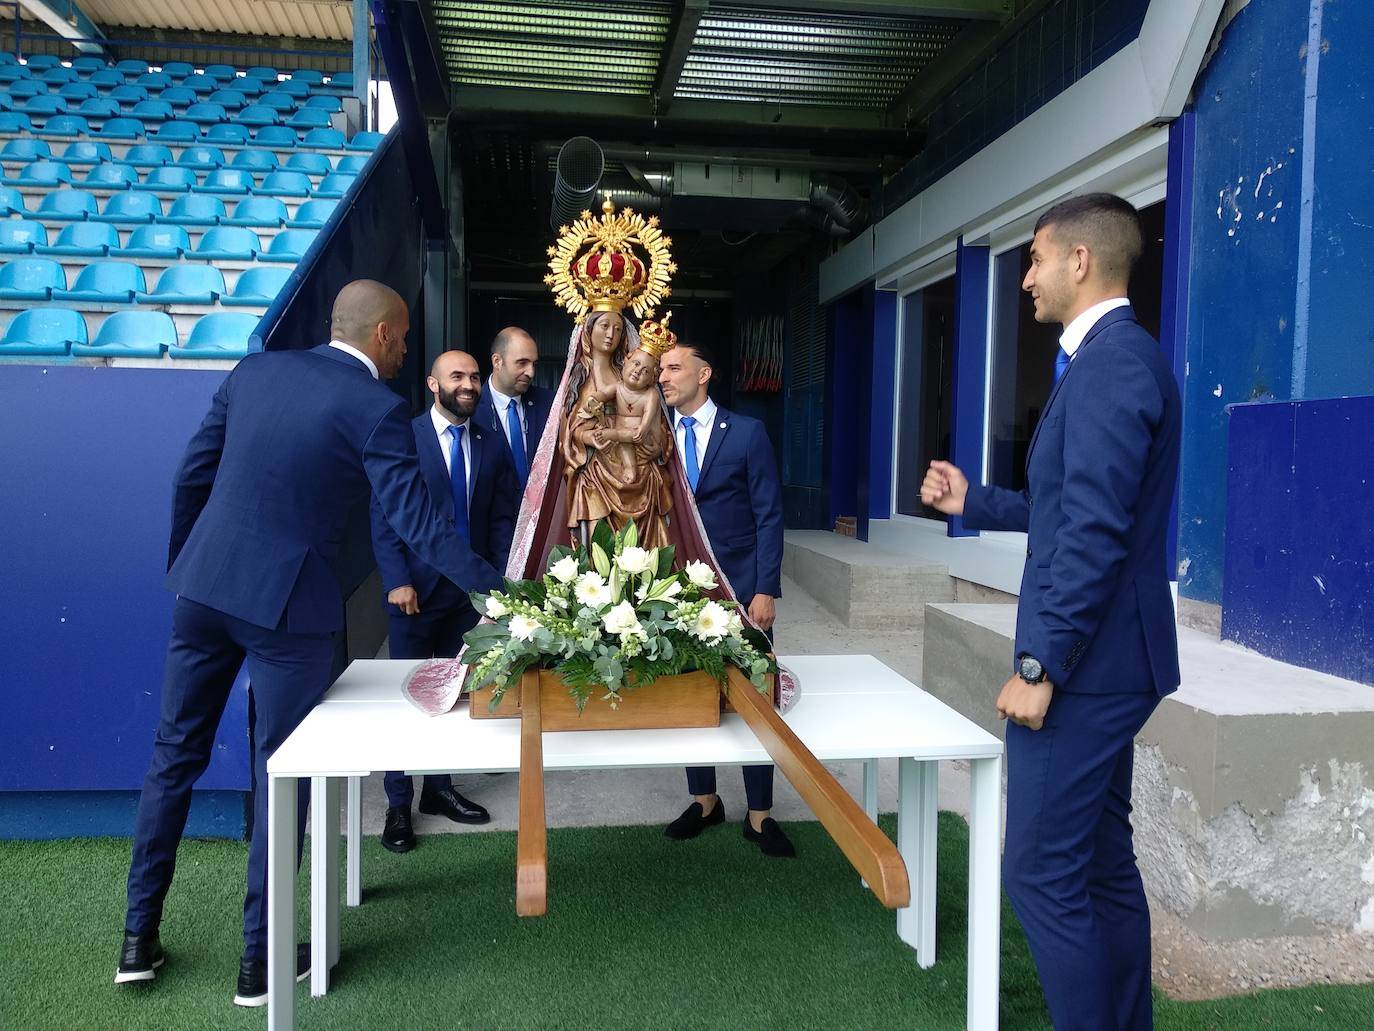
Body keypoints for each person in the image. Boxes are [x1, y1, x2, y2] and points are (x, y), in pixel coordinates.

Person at [117, 281, 505, 1007]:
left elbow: (191, 475)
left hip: (203, 589)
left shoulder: (255, 369)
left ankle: (137, 940)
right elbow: (421, 527)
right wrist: (501, 593)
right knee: (280, 776)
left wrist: (190, 564)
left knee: (174, 754)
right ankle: (258, 964)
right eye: (404, 338)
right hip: (290, 611)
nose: (403, 350)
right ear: (387, 335)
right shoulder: (378, 408)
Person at [920, 193, 1181, 1030]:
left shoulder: (1111, 365)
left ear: (1079, 261)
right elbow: (1066, 508)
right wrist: (978, 500)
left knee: (1037, 872)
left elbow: (1097, 534)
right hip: (1108, 663)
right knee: (1100, 867)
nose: (1024, 278)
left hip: (1088, 671)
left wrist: (1039, 667)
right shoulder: (1111, 361)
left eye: (1033, 260)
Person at [371, 349, 519, 853]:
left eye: (475, 377)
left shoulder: (491, 443)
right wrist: (396, 579)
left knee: (453, 694)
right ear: (433, 384)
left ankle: (439, 790)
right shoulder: (404, 439)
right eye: (457, 376)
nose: (469, 384)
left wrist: (499, 585)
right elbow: (384, 515)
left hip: (468, 597)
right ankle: (398, 803)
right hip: (413, 592)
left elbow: (502, 520)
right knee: (406, 697)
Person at [657, 340, 792, 858]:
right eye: (662, 371)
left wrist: (765, 588)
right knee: (691, 695)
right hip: (679, 589)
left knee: (756, 697)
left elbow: (769, 516)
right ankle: (705, 799)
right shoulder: (658, 436)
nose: (664, 378)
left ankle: (761, 814)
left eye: (673, 368)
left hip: (742, 588)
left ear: (704, 373)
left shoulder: (749, 433)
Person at [560, 310, 675, 549]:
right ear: (588, 329)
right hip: (597, 475)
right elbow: (570, 428)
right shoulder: (580, 377)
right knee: (598, 550)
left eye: (618, 328)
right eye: (604, 326)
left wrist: (653, 439)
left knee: (642, 553)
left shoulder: (634, 374)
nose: (611, 334)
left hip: (641, 472)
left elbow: (658, 426)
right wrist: (589, 436)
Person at [476, 326, 554, 489]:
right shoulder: (471, 409)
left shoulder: (550, 403)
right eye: (522, 363)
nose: (531, 373)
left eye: (534, 364)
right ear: (497, 361)